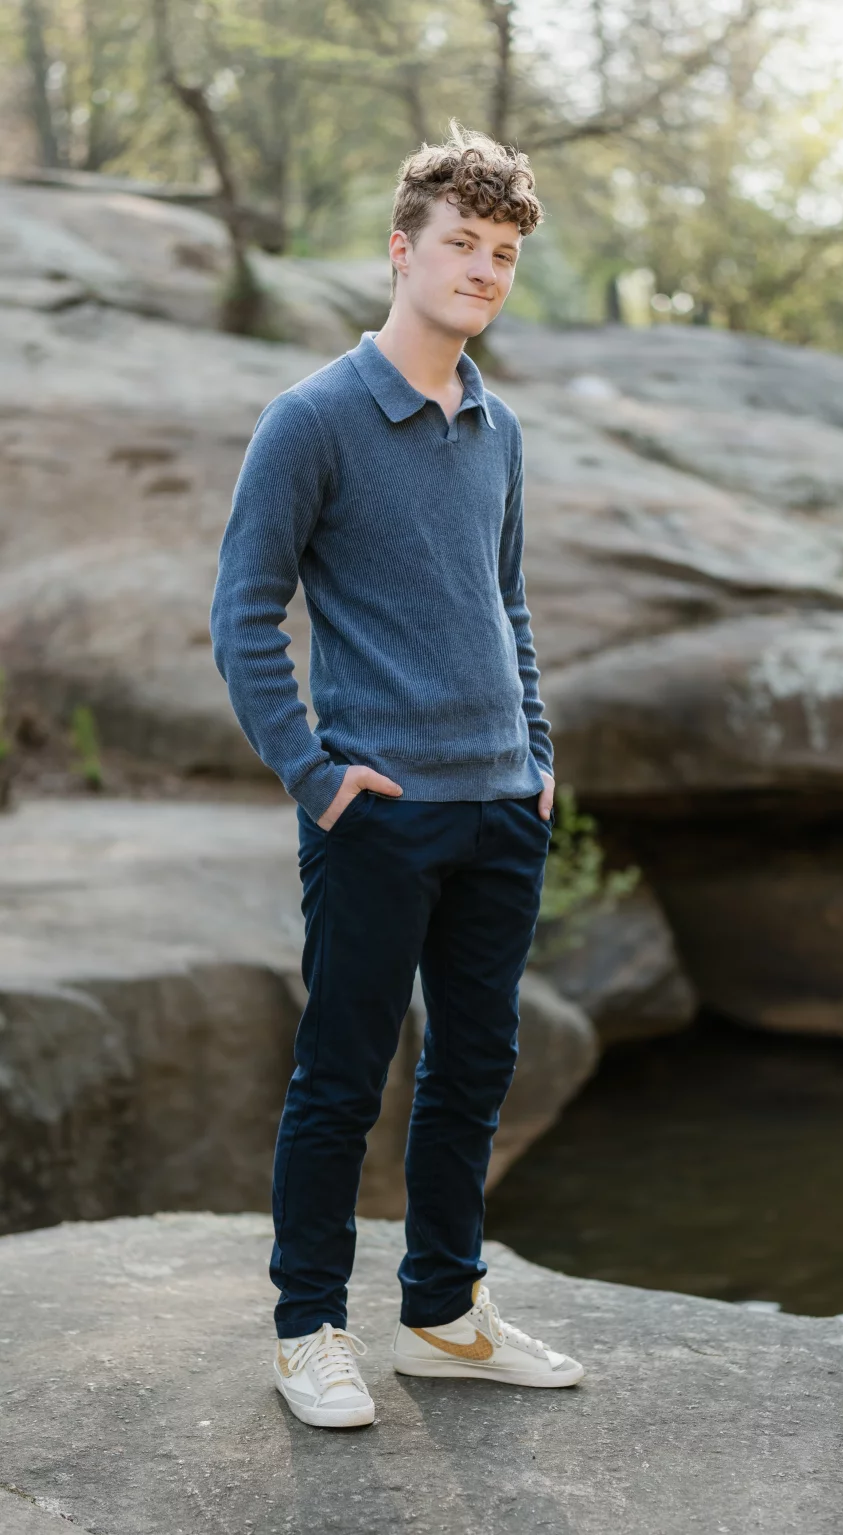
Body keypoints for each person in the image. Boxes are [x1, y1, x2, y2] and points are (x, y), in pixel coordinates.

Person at [209, 120, 585, 1429]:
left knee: (475, 1066)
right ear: (402, 251)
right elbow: (242, 616)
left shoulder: (496, 427)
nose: (483, 270)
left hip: (499, 808)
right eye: (461, 246)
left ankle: (441, 1313)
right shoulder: (311, 419)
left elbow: (509, 604)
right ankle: (308, 1326)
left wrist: (535, 755)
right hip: (379, 815)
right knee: (342, 1076)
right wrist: (316, 776)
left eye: (501, 253)